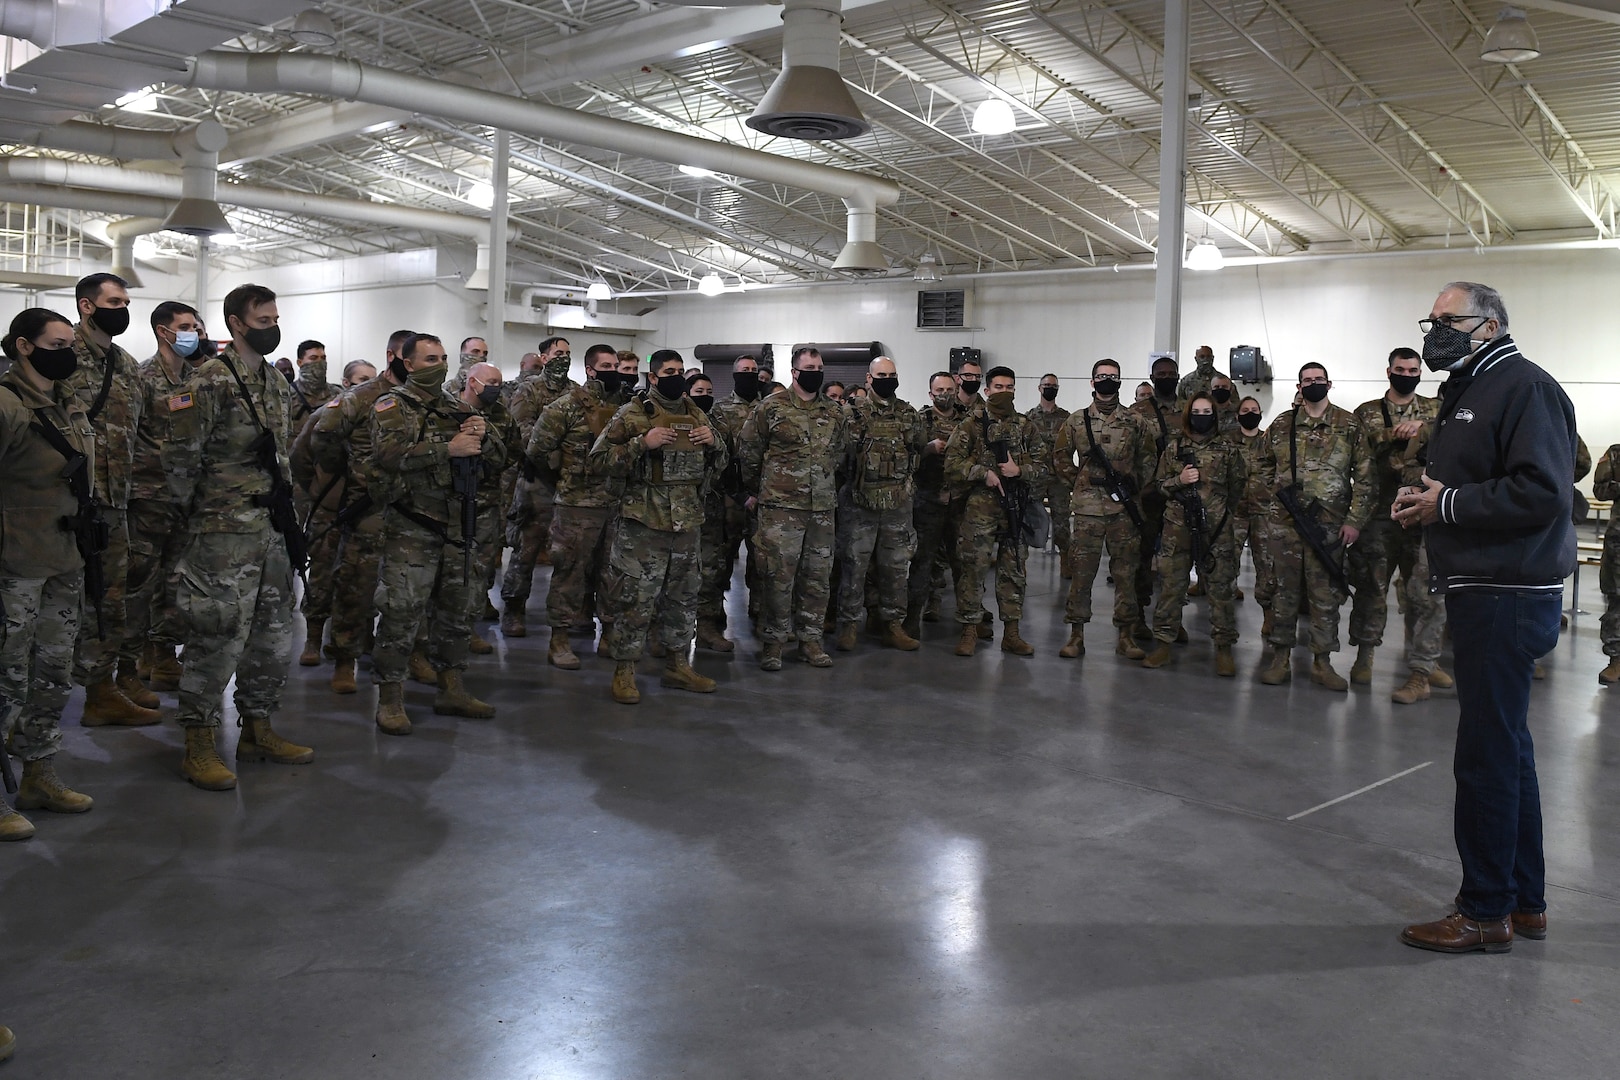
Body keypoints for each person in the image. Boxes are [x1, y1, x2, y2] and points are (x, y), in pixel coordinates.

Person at [1393, 280, 1576, 954]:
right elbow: (1471, 484)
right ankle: (1524, 901)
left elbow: (1544, 491)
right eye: (1430, 319)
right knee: (1509, 750)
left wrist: (1446, 506)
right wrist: (1426, 503)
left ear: (1491, 325)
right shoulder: (1472, 389)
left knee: (1485, 757)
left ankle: (1484, 910)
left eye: (1448, 319)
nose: (1434, 331)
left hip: (1508, 592)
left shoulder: (1523, 386)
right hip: (1485, 586)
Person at [169, 284, 314, 790]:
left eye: (276, 316)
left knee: (272, 637)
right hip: (222, 532)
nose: (272, 326)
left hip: (271, 528)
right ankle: (199, 741)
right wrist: (198, 527)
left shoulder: (274, 379)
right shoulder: (207, 381)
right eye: (263, 318)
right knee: (216, 635)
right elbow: (180, 462)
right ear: (235, 323)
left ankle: (258, 727)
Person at [370, 333, 508, 735]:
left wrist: (484, 435)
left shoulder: (457, 406)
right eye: (430, 359)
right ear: (408, 365)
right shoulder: (391, 405)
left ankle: (452, 686)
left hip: (458, 527)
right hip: (412, 527)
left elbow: (499, 459)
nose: (440, 365)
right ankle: (390, 697)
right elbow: (388, 456)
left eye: (444, 358)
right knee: (401, 613)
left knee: (456, 612)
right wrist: (447, 448)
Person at [1, 308, 98, 840]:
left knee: (53, 673)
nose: (69, 352)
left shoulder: (68, 402)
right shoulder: (6, 404)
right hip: (14, 563)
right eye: (58, 343)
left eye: (71, 344)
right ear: (23, 346)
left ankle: (38, 772)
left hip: (64, 558)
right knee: (5, 678)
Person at [590, 349, 724, 702]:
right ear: (653, 377)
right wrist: (641, 444)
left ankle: (678, 665)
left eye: (681, 371)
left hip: (686, 523)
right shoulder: (632, 414)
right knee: (635, 601)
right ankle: (624, 671)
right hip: (643, 525)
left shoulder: (696, 413)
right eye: (669, 371)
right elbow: (598, 461)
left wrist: (715, 444)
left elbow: (722, 461)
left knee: (683, 599)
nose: (676, 376)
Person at [63, 273, 151, 726]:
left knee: (109, 599)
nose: (123, 308)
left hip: (114, 506)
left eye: (126, 301)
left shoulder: (128, 365)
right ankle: (28, 709)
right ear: (87, 306)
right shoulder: (60, 357)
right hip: (63, 507)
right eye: (115, 300)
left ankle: (101, 694)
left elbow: (140, 435)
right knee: (54, 603)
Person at [1257, 363, 1374, 690]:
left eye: (1318, 380)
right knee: (1284, 592)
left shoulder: (1349, 424)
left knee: (1326, 595)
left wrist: (1354, 521)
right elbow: (1262, 463)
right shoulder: (1282, 424)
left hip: (1330, 528)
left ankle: (1323, 662)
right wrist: (1275, 496)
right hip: (1285, 526)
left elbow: (1366, 478)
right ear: (1299, 386)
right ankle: (1280, 659)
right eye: (1307, 381)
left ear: (1329, 384)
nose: (1313, 385)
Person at [738, 346, 850, 670]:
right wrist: (763, 490)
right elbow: (748, 454)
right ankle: (773, 643)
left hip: (821, 510)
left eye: (820, 366)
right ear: (795, 372)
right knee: (778, 577)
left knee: (817, 578)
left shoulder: (835, 412)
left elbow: (839, 454)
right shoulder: (770, 408)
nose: (816, 371)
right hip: (780, 509)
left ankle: (811, 641)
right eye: (809, 366)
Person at [311, 334, 407, 694]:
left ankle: (404, 661)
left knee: (407, 594)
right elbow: (321, 438)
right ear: (393, 357)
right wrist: (347, 476)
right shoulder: (362, 397)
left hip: (411, 511)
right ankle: (344, 659)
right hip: (367, 508)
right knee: (355, 585)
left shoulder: (425, 400)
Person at [526, 343, 631, 669]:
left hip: (616, 506)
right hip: (576, 506)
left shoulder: (627, 406)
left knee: (614, 575)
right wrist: (564, 479)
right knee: (569, 574)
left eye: (617, 365)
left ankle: (609, 634)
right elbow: (536, 452)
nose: (613, 371)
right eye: (606, 365)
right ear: (590, 370)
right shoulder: (565, 408)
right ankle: (559, 640)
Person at [122, 301, 205, 705]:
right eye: (186, 326)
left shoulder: (201, 378)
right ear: (162, 331)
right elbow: (127, 439)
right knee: (138, 586)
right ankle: (126, 669)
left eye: (196, 326)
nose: (194, 333)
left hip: (186, 501)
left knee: (177, 583)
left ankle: (163, 654)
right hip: (148, 499)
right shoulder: (142, 379)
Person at [1347, 348, 1441, 686]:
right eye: (1400, 369)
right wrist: (1392, 434)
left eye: (1413, 369)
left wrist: (1424, 429)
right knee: (1372, 588)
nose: (1407, 374)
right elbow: (1354, 449)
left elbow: (1451, 441)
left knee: (1424, 594)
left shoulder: (1433, 409)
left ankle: (1424, 663)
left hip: (1421, 513)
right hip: (1378, 515)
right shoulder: (1367, 412)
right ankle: (1364, 655)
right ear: (1389, 372)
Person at [1052, 359, 1156, 659]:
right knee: (1082, 574)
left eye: (1113, 377)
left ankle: (1126, 634)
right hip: (1087, 511)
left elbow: (1149, 457)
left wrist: (1134, 482)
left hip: (1123, 509)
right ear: (1092, 381)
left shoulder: (1135, 421)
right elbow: (1060, 457)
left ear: (1120, 382)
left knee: (1126, 573)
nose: (1107, 381)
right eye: (1102, 376)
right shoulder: (1076, 420)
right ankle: (1076, 635)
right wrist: (1080, 481)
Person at [944, 365, 1046, 657]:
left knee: (1013, 571)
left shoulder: (1026, 426)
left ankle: (1011, 634)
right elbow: (952, 464)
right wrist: (982, 473)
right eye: (998, 387)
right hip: (981, 508)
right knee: (973, 570)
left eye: (1009, 387)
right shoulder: (971, 425)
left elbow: (1043, 467)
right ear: (987, 391)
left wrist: (1019, 470)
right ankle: (969, 631)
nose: (1004, 392)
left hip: (1015, 507)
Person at [1145, 393, 1246, 675]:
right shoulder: (1175, 447)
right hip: (1177, 528)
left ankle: (1224, 649)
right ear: (1189, 414)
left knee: (1221, 589)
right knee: (1171, 587)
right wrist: (1180, 480)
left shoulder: (1228, 448)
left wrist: (1219, 511)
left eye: (1207, 411)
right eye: (1197, 411)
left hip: (1216, 530)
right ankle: (1164, 643)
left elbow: (1238, 485)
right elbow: (1159, 486)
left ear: (1214, 415)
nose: (1202, 416)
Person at [835, 356, 923, 652]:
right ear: (869, 378)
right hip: (858, 506)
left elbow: (917, 451)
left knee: (896, 568)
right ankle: (847, 625)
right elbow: (837, 460)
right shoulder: (849, 414)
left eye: (892, 374)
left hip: (897, 506)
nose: (888, 379)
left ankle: (892, 625)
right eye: (881, 374)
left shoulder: (909, 414)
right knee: (854, 566)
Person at [500, 336, 573, 636]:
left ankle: (566, 617)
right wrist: (559, 453)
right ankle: (514, 609)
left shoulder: (576, 393)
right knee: (525, 550)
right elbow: (523, 434)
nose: (564, 358)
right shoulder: (528, 390)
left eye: (568, 353)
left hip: (568, 484)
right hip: (535, 482)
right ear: (544, 358)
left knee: (567, 551)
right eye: (558, 353)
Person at [697, 354, 763, 652]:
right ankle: (711, 622)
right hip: (727, 500)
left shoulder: (770, 408)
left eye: (753, 370)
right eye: (744, 371)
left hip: (763, 498)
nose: (749, 374)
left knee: (763, 562)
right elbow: (717, 457)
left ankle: (762, 615)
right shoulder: (720, 410)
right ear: (734, 375)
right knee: (717, 564)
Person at [458, 362, 519, 656]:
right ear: (472, 382)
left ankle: (468, 629)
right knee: (448, 570)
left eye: (499, 381)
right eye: (491, 382)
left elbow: (512, 453)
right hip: (450, 503)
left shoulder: (502, 416)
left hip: (486, 503)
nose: (496, 387)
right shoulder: (448, 409)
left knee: (480, 570)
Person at [905, 372, 965, 637]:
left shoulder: (968, 421)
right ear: (930, 394)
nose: (945, 394)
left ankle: (970, 621)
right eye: (939, 390)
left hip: (960, 503)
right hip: (927, 501)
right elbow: (904, 459)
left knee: (964, 563)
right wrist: (926, 450)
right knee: (922, 562)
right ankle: (911, 620)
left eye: (949, 389)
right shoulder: (919, 422)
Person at [1130, 355, 1180, 635]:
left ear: (1178, 376)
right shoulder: (1137, 412)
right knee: (1141, 558)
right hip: (1148, 496)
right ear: (1152, 378)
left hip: (1180, 495)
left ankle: (1172, 620)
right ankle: (1137, 615)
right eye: (1160, 374)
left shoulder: (1188, 409)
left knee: (1177, 562)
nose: (1165, 377)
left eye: (1170, 373)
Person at [1230, 396, 1276, 633]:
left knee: (1266, 566)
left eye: (1254, 409)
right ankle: (1224, 618)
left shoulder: (1269, 442)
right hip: (1234, 512)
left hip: (1263, 512)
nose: (1250, 413)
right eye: (1245, 410)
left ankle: (1268, 615)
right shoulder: (1227, 442)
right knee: (1227, 563)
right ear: (1237, 416)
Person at [1026, 373, 1072, 573]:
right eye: (1046, 385)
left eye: (1053, 385)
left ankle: (1066, 560)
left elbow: (1071, 445)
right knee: (1028, 517)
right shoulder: (1028, 417)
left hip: (1059, 477)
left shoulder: (1067, 418)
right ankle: (1021, 561)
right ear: (1039, 388)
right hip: (1036, 476)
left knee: (1062, 520)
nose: (1049, 388)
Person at [1596, 443, 1620, 685]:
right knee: (1617, 599)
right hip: (1619, 542)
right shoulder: (1616, 453)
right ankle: (1616, 659)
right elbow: (1600, 491)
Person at [287, 339, 337, 429]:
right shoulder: (286, 395)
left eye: (323, 358)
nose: (320, 362)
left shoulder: (337, 394)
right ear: (300, 362)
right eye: (313, 358)